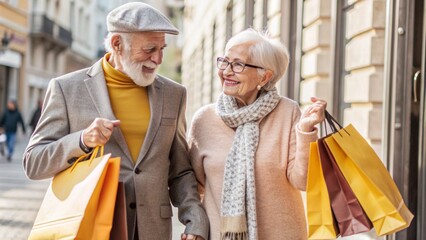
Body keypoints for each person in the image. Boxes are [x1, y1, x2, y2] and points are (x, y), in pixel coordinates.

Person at [23, 2, 208, 240]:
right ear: (117, 44)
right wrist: (81, 140)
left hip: (153, 230)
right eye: (150, 49)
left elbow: (180, 170)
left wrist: (195, 221)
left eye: (162, 48)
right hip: (92, 227)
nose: (158, 58)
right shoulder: (66, 88)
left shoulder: (174, 94)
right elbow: (33, 163)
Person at [188, 28, 327, 240]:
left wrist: (306, 131)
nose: (226, 71)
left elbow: (303, 181)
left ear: (265, 76)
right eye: (224, 61)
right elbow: (191, 186)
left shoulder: (287, 113)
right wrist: (195, 227)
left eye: (238, 64)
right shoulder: (204, 120)